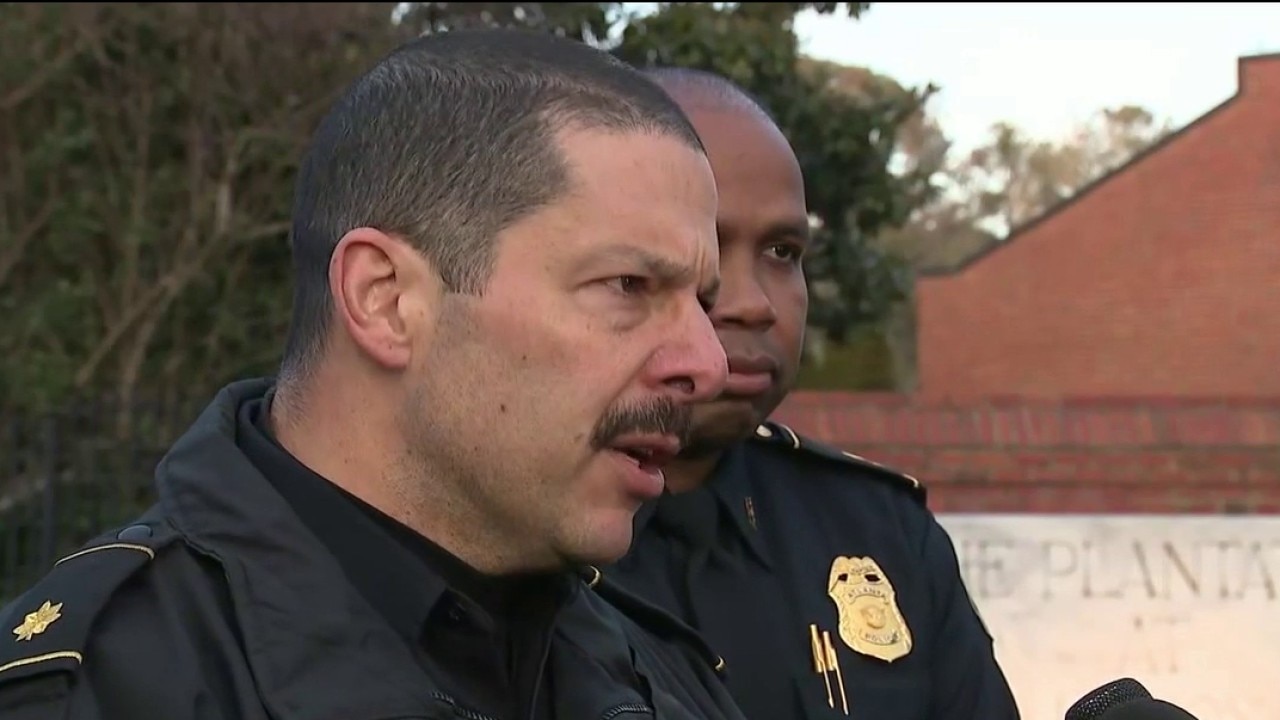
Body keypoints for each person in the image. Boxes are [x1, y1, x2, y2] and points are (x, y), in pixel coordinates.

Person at [0, 30, 749, 720]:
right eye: (628, 286)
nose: (708, 364)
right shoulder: (99, 692)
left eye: (702, 303)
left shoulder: (662, 676)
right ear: (385, 300)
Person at [603, 67, 1022, 720]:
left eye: (781, 251)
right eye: (705, 246)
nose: (752, 303)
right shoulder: (500, 541)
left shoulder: (880, 533)